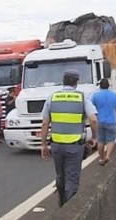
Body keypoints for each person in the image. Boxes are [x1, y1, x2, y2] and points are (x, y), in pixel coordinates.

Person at [41, 69, 98, 207]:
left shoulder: (52, 97)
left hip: (56, 145)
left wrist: (43, 145)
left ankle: (61, 202)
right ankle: (69, 208)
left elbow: (44, 122)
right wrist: (95, 137)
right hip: (74, 145)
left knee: (60, 175)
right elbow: (93, 119)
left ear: (63, 81)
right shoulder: (82, 97)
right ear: (76, 82)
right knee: (72, 177)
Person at [91, 78, 116, 165]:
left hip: (99, 121)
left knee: (100, 141)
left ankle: (101, 158)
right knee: (111, 140)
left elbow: (91, 108)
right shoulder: (114, 95)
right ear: (108, 85)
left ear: (100, 86)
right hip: (111, 121)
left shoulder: (95, 95)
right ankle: (108, 156)